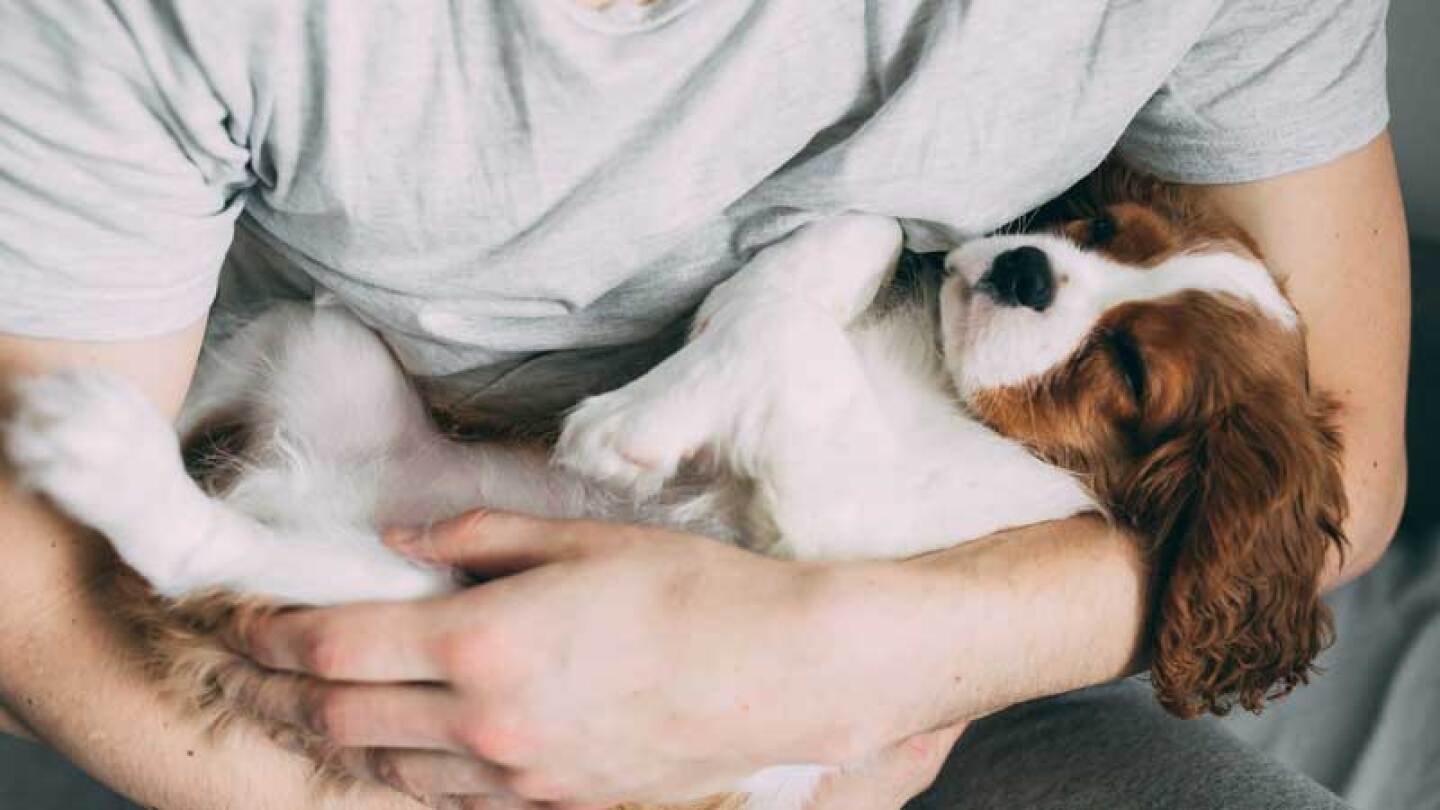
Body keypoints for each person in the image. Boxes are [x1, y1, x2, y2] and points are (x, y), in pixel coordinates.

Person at [0, 1, 1409, 808]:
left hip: (909, 718)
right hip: (255, 696)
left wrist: (857, 660)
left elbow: (1342, 477)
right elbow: (26, 577)